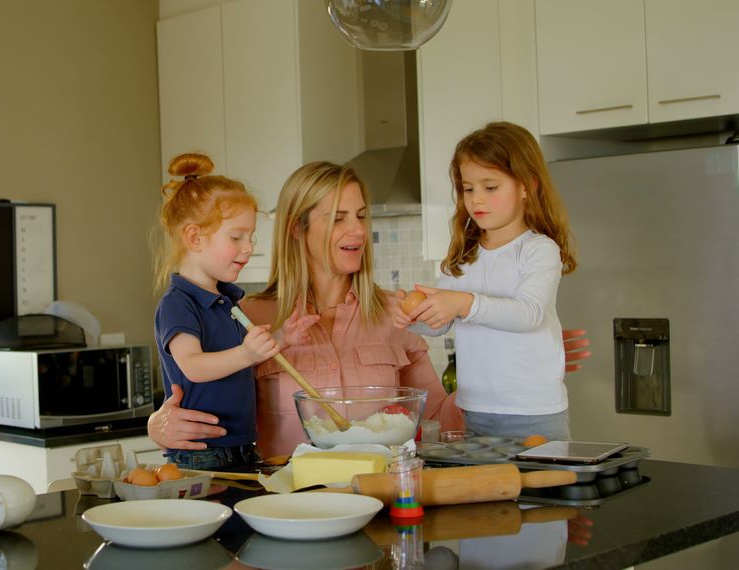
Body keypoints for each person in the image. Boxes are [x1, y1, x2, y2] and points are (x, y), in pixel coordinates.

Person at [147, 160, 591, 456]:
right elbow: (196, 391)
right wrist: (157, 426)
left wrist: (515, 365)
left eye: (360, 215)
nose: (356, 229)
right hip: (288, 515)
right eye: (338, 217)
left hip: (381, 515)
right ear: (299, 228)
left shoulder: (395, 314)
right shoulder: (249, 318)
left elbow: (442, 417)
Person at [395, 121, 577, 441]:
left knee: (538, 491)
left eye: (490, 187)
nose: (476, 199)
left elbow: (528, 313)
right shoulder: (464, 256)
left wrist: (464, 303)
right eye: (468, 188)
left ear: (527, 186)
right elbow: (440, 323)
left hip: (533, 414)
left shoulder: (538, 250)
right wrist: (413, 317)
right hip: (475, 412)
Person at [151, 152, 309, 469]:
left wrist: (282, 337)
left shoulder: (227, 300)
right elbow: (193, 366)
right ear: (194, 237)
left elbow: (236, 356)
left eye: (250, 237)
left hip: (240, 445)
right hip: (201, 452)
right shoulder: (178, 303)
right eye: (236, 237)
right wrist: (247, 355)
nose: (249, 247)